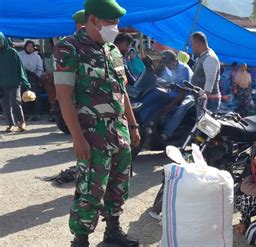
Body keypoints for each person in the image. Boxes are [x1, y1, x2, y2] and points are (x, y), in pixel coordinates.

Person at [53, 0, 140, 246]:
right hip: (92, 134)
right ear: (93, 20)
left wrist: (132, 125)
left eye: (117, 22)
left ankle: (113, 231)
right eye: (111, 22)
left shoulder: (112, 50)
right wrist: (77, 139)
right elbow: (64, 97)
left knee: (119, 183)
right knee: (91, 188)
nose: (116, 27)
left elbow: (121, 91)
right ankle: (80, 240)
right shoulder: (68, 48)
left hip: (119, 131)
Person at [159, 50, 194, 141]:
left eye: (168, 64)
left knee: (182, 107)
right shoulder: (167, 69)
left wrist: (170, 106)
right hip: (172, 94)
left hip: (189, 95)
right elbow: (164, 83)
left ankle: (166, 133)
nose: (167, 66)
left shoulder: (184, 69)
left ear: (174, 61)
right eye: (165, 64)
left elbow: (182, 93)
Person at [0, 32, 30, 132]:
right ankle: (10, 124)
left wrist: (25, 82)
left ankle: (21, 122)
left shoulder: (12, 52)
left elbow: (20, 67)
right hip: (2, 84)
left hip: (14, 83)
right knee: (5, 105)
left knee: (15, 102)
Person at [190, 31, 221, 113]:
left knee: (204, 125)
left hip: (209, 101)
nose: (192, 47)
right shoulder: (202, 56)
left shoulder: (210, 58)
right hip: (202, 99)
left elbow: (210, 80)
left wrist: (204, 98)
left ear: (198, 44)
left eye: (192, 44)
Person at [19, 40, 44, 121]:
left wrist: (36, 76)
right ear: (25, 47)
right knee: (23, 95)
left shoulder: (37, 57)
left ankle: (38, 113)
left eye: (31, 47)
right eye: (28, 46)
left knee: (35, 94)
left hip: (34, 77)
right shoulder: (20, 55)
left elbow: (40, 69)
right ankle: (25, 113)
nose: (30, 48)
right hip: (23, 77)